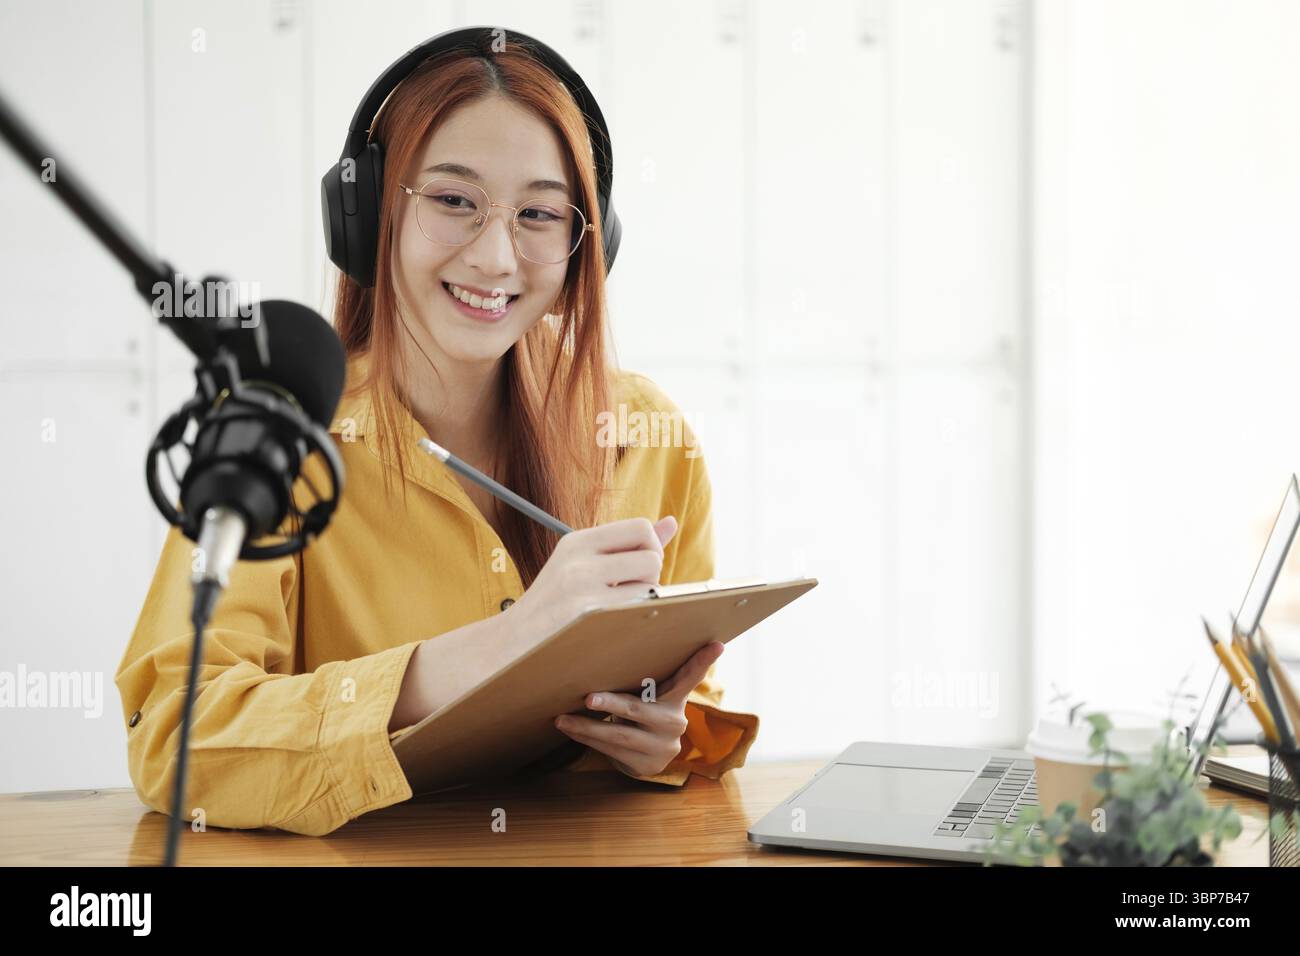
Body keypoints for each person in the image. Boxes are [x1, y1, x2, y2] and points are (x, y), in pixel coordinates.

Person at [114, 38, 759, 837]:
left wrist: (663, 736)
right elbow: (176, 740)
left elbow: (692, 710)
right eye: (454, 200)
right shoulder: (276, 438)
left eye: (538, 214)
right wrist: (500, 647)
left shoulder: (646, 439)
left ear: (586, 240)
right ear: (368, 213)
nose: (495, 257)